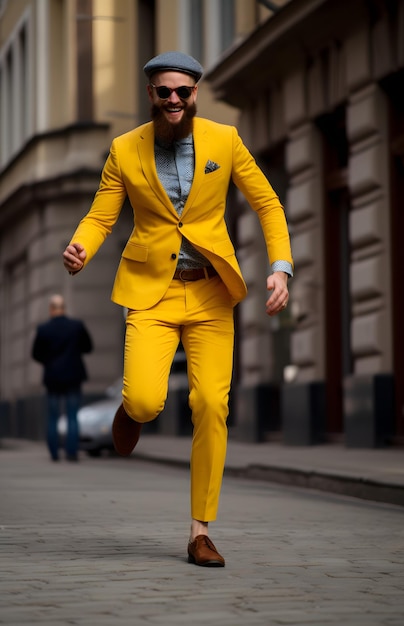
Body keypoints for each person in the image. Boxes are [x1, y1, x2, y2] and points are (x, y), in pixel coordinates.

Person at [62, 51, 293, 566]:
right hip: (152, 290)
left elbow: (267, 203)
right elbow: (102, 215)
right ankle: (132, 410)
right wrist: (80, 246)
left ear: (194, 95)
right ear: (150, 94)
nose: (173, 100)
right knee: (146, 401)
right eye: (163, 91)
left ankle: (199, 531)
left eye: (182, 92)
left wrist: (280, 266)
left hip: (212, 292)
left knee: (211, 404)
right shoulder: (125, 149)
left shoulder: (224, 140)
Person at [32, 294, 93, 462]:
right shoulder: (76, 326)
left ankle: (54, 453)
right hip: (73, 375)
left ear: (51, 309)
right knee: (72, 416)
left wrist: (49, 361)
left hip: (52, 377)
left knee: (53, 417)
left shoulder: (43, 329)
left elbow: (35, 354)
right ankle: (71, 452)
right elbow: (88, 347)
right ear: (64, 308)